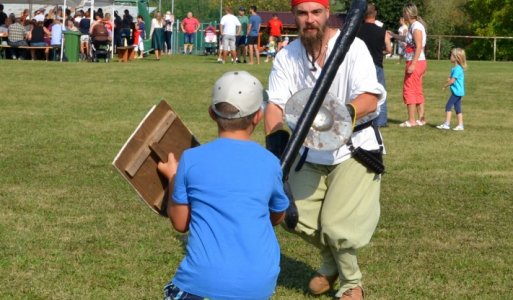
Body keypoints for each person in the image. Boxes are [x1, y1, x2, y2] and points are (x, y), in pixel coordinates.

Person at [264, 1, 386, 299]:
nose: (310, 20)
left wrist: (342, 114)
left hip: (354, 148)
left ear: (326, 13)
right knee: (291, 215)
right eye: (303, 14)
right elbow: (275, 106)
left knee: (335, 225)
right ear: (294, 17)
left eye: (316, 12)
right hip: (308, 150)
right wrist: (277, 147)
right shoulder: (286, 57)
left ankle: (351, 282)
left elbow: (370, 97)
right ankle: (332, 261)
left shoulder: (352, 48)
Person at [157, 71, 289, 300]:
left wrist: (173, 177)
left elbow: (180, 223)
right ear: (258, 116)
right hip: (259, 284)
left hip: (201, 282)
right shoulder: (270, 163)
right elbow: (277, 215)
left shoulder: (191, 159)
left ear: (212, 113)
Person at [389, 3, 428, 128]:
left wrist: (413, 64)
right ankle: (421, 119)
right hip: (419, 62)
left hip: (415, 61)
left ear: (408, 13)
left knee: (409, 90)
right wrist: (394, 35)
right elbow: (407, 39)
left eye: (404, 12)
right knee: (417, 90)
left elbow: (418, 46)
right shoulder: (414, 26)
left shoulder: (416, 27)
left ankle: (411, 120)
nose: (403, 15)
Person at [357, 3, 392, 128]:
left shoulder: (357, 30)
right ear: (375, 14)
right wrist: (381, 51)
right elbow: (389, 49)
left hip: (360, 66)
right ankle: (381, 121)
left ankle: (362, 118)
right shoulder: (381, 31)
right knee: (380, 92)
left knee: (360, 93)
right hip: (376, 64)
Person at [437, 48, 467, 131]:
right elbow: (451, 77)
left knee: (448, 106)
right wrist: (449, 78)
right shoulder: (456, 68)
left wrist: (445, 85)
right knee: (458, 109)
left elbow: (453, 81)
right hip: (458, 92)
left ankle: (447, 124)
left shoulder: (457, 69)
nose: (450, 57)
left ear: (456, 57)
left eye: (451, 55)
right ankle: (460, 125)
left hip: (457, 92)